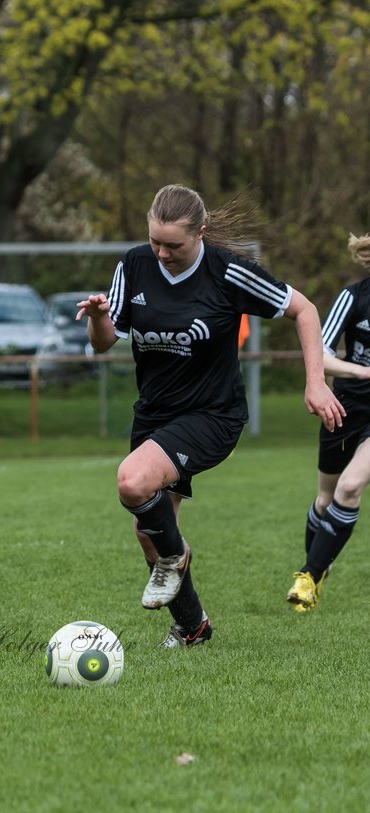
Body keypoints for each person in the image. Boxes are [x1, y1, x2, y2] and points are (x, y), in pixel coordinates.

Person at [76, 184, 343, 648]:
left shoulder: (229, 272)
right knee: (149, 532)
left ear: (200, 233)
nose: (161, 253)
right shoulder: (134, 264)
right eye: (155, 241)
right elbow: (104, 342)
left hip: (212, 415)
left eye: (173, 245)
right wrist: (99, 316)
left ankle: (175, 559)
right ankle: (192, 626)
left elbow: (305, 309)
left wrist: (315, 381)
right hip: (155, 414)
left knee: (132, 482)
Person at [287, 233, 370, 613]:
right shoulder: (353, 298)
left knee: (351, 487)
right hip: (345, 407)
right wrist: (361, 372)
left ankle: (308, 574)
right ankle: (317, 573)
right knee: (325, 498)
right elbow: (319, 353)